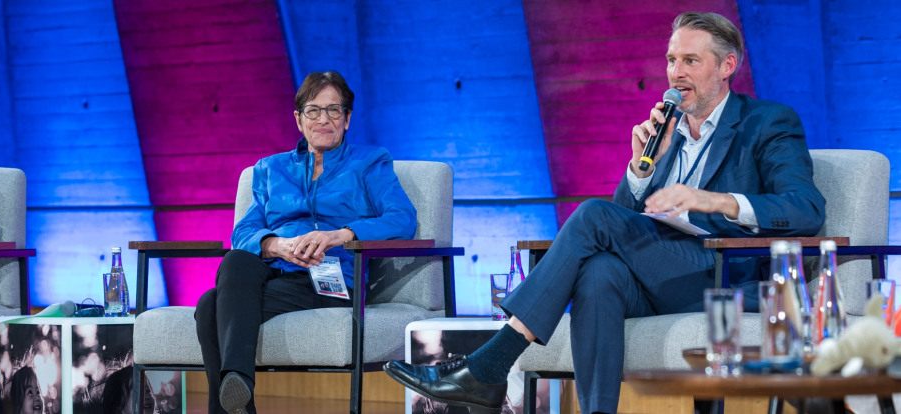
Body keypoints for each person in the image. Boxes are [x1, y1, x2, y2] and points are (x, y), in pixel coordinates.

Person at [384, 12, 825, 414]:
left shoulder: (767, 122)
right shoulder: (667, 133)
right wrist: (638, 169)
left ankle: (490, 364)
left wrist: (716, 200)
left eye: (690, 61)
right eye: (672, 60)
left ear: (727, 67)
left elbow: (805, 209)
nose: (676, 73)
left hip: (726, 276)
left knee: (592, 216)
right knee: (599, 271)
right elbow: (621, 221)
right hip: (664, 275)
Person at [194, 71, 418, 414]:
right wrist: (276, 245)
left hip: (333, 280)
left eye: (334, 110)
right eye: (314, 110)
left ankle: (236, 398)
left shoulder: (369, 163)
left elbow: (402, 218)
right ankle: (237, 384)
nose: (323, 119)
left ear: (347, 119)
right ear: (299, 120)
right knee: (237, 260)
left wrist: (339, 235)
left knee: (211, 305)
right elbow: (243, 232)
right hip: (276, 273)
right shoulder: (271, 170)